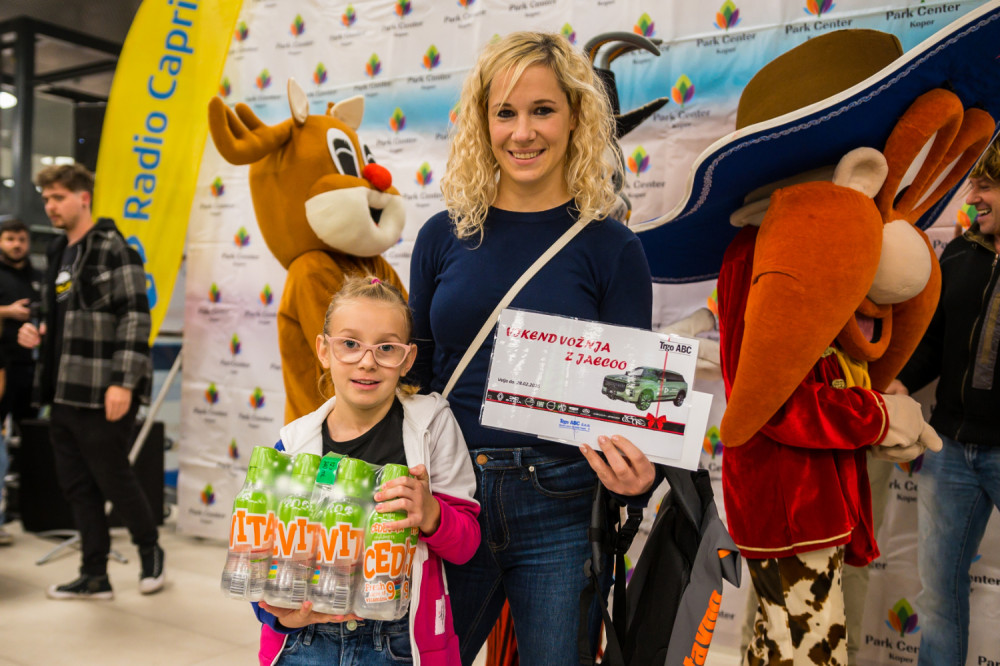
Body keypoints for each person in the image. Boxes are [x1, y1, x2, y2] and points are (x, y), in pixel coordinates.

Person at [408, 31, 657, 666]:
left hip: (563, 503)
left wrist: (639, 478)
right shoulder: (442, 236)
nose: (523, 132)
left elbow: (633, 402)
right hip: (449, 495)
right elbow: (418, 375)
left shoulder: (613, 248)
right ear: (482, 122)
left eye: (543, 110)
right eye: (506, 113)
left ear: (576, 117)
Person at [253, 276, 480, 665]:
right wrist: (280, 615)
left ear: (407, 358)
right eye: (350, 344)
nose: (367, 361)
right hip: (305, 642)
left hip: (399, 641)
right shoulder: (292, 445)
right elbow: (260, 565)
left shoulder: (432, 426)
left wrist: (431, 514)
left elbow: (467, 546)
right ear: (324, 350)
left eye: (386, 348)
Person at [17, 163, 163, 599]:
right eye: (46, 199)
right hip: (61, 390)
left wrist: (123, 382)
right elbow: (58, 314)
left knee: (114, 478)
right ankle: (94, 575)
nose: (50, 206)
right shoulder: (57, 252)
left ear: (83, 198)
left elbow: (135, 318)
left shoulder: (114, 248)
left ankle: (150, 551)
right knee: (77, 487)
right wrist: (36, 331)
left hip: (102, 389)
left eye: (58, 197)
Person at [888, 138, 1000, 666]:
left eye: (985, 185)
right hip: (949, 449)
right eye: (972, 184)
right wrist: (901, 382)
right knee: (937, 601)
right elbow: (933, 341)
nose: (971, 197)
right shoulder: (958, 253)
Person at [0, 217, 42, 546]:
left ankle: (29, 508)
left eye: (22, 239)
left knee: (31, 439)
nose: (17, 245)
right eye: (10, 239)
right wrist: (7, 312)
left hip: (32, 367)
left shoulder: (38, 276)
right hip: (2, 367)